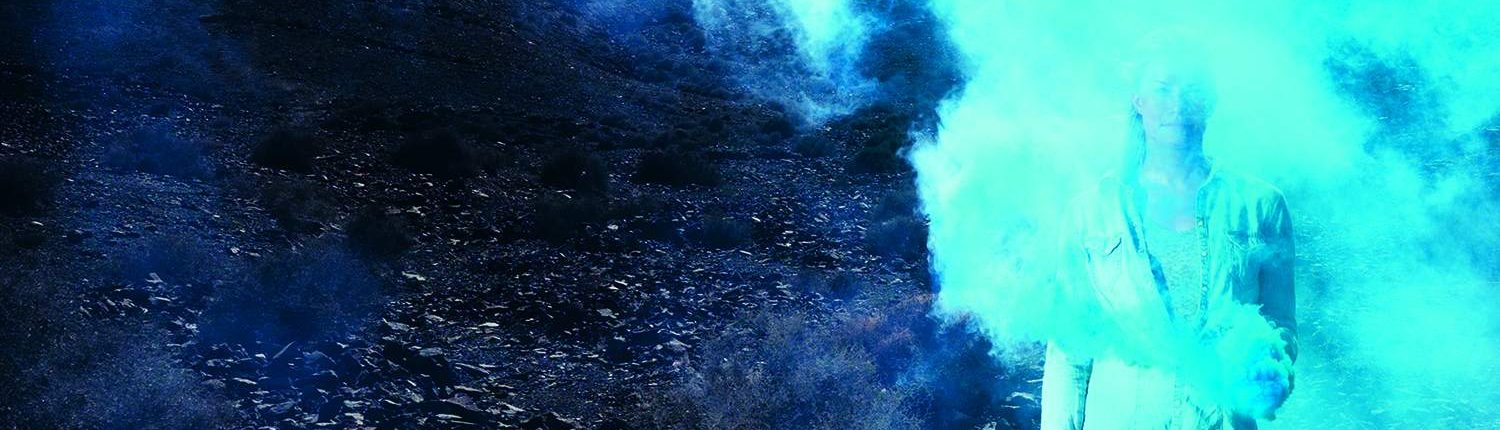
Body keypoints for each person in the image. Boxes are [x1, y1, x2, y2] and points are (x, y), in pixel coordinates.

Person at [1038, 34, 1297, 430]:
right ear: (1137, 100)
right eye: (1161, 89)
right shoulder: (1092, 212)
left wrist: (1268, 367)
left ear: (1210, 101)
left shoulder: (1262, 206)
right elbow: (1070, 350)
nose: (1176, 105)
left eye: (1191, 90)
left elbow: (1281, 326)